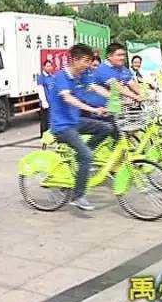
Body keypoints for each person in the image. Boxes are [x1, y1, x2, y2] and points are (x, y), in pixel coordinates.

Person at [50, 44, 114, 211]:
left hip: (75, 121)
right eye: (86, 61)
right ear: (75, 60)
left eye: (90, 61)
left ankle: (83, 156)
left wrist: (116, 98)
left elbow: (95, 87)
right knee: (87, 155)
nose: (88, 65)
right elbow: (69, 99)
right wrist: (93, 109)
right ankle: (78, 196)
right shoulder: (61, 77)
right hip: (62, 127)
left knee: (107, 128)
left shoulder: (82, 75)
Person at [37, 60, 55, 136]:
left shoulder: (52, 77)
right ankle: (43, 137)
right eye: (47, 66)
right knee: (45, 122)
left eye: (50, 66)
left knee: (51, 121)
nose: (49, 68)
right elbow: (40, 90)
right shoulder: (41, 77)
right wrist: (44, 101)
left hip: (52, 103)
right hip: (45, 104)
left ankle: (50, 136)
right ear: (44, 67)